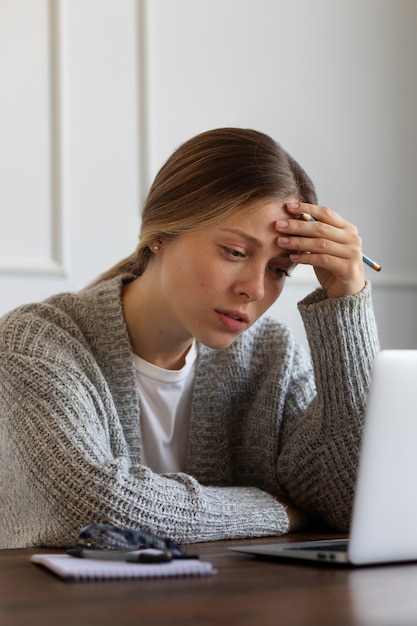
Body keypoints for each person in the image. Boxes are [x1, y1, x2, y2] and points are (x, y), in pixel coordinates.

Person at [0, 128, 379, 549]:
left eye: (279, 271)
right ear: (161, 233)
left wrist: (345, 304)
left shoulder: (273, 359)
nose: (255, 289)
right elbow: (97, 509)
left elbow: (351, 502)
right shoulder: (37, 344)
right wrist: (273, 509)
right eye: (235, 252)